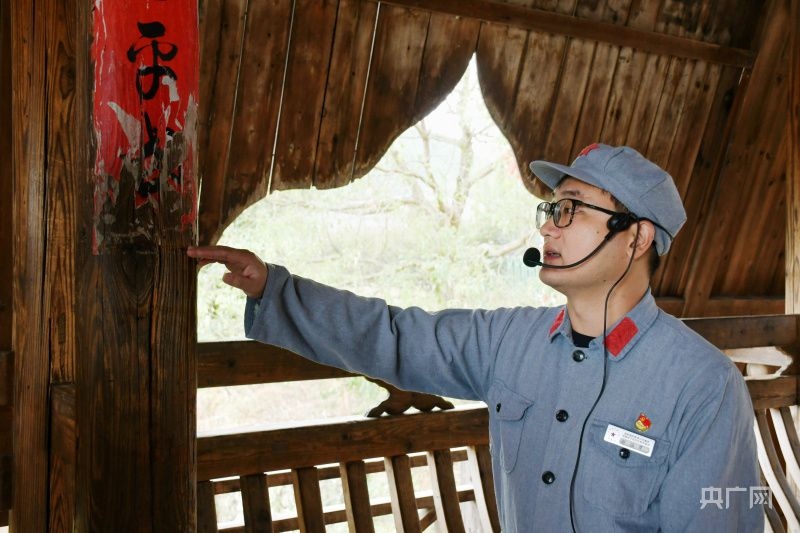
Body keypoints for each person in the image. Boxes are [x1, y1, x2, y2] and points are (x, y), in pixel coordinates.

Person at [188, 143, 762, 532]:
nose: (547, 226)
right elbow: (393, 336)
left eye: (570, 210)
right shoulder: (507, 340)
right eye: (550, 209)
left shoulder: (704, 386)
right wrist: (273, 288)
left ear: (636, 238)